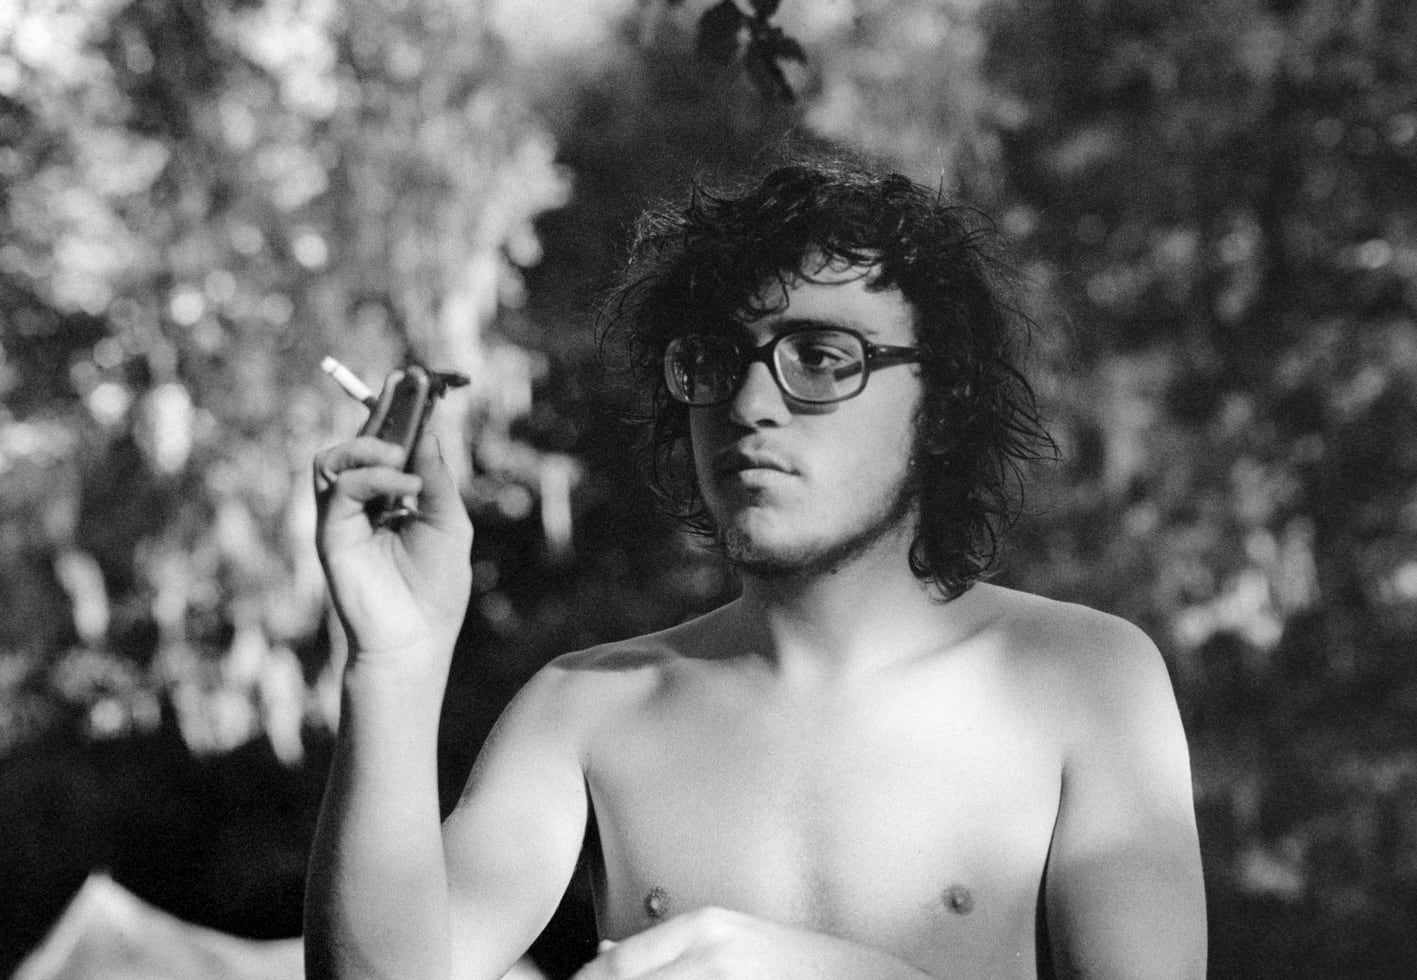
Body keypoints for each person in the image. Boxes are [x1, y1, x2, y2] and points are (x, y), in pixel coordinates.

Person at [304, 155, 1207, 980]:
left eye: (819, 357)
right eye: (713, 360)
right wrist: (394, 664)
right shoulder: (585, 707)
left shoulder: (1084, 678)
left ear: (943, 403)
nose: (747, 403)